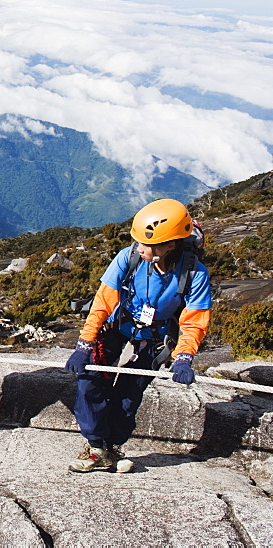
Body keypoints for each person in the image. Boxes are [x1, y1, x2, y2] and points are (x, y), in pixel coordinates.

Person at [65, 199, 211, 473]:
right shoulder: (129, 257)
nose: (139, 248)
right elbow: (103, 302)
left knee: (130, 393)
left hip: (156, 336)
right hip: (117, 324)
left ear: (170, 245)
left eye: (147, 244)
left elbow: (194, 322)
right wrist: (85, 343)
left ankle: (111, 447)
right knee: (90, 381)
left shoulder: (194, 274)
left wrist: (183, 358)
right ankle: (96, 447)